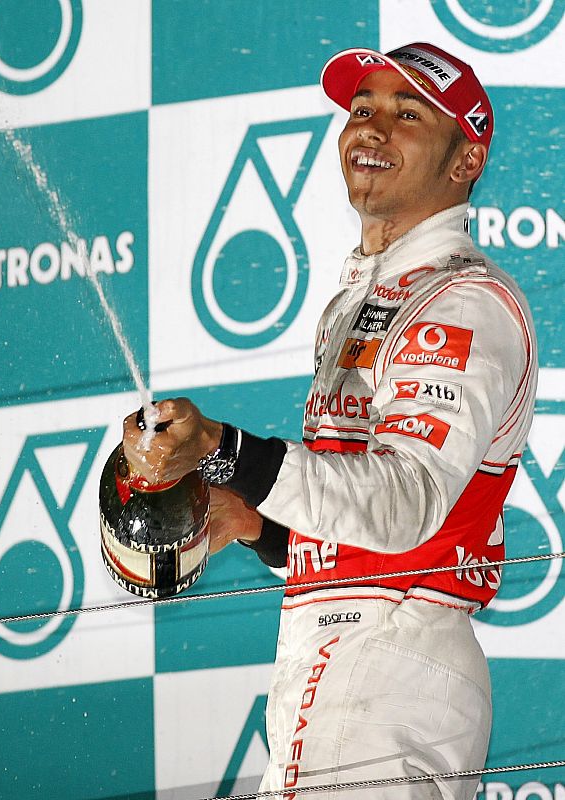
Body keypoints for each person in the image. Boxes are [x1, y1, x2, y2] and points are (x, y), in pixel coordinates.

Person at [123, 43, 538, 799]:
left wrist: (222, 447)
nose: (371, 129)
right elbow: (358, 524)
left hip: (390, 663)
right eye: (361, 110)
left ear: (464, 161)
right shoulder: (356, 302)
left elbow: (405, 504)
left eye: (406, 114)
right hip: (339, 661)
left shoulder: (462, 302)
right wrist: (255, 525)